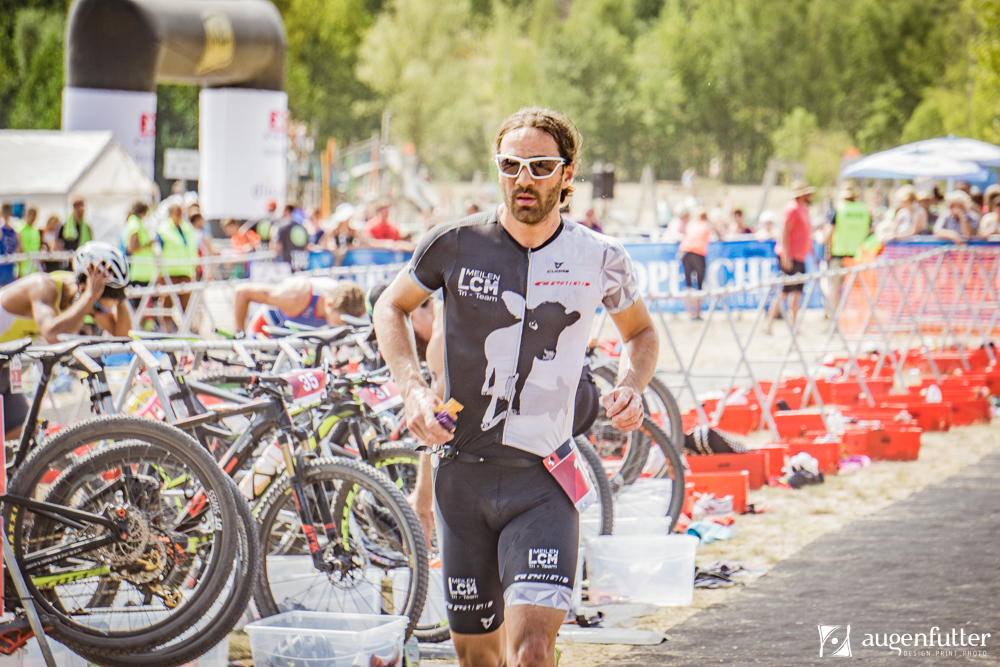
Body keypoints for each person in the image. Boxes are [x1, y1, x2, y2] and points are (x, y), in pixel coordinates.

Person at [373, 107, 656, 667]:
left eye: (540, 166)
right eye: (511, 165)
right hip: (463, 480)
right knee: (479, 660)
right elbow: (391, 306)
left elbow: (641, 332)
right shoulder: (454, 243)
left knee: (531, 649)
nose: (524, 178)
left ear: (567, 173)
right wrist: (412, 389)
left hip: (543, 481)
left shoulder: (600, 256)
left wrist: (632, 384)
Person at [0, 242, 131, 438]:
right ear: (83, 287)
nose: (97, 313)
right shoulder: (42, 286)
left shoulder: (82, 298)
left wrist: (120, 295)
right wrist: (90, 297)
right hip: (4, 364)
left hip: (4, 368)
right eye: (97, 307)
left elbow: (122, 335)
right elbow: (53, 334)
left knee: (22, 436)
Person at [234, 276, 366, 336]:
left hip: (299, 335)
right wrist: (240, 334)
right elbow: (242, 292)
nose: (344, 327)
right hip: (268, 329)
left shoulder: (344, 297)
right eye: (342, 322)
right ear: (329, 304)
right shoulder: (296, 296)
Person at [766, 180, 814, 334]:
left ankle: (794, 325)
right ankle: (768, 324)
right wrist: (786, 255)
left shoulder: (803, 209)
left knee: (797, 292)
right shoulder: (792, 208)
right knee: (785, 291)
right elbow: (785, 231)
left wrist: (811, 252)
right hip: (791, 256)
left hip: (800, 256)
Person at [823, 182, 871, 316]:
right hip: (859, 255)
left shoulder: (839, 209)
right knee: (859, 289)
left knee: (835, 287)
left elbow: (829, 233)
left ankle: (836, 318)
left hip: (839, 253)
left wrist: (827, 248)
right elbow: (869, 230)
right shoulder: (864, 210)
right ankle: (860, 318)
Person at [156, 203, 199, 313]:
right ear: (170, 214)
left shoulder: (187, 228)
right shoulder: (163, 229)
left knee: (186, 304)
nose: (179, 216)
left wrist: (194, 268)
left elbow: (192, 248)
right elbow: (157, 251)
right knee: (167, 303)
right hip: (169, 272)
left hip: (186, 272)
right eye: (177, 213)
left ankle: (185, 323)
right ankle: (167, 324)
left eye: (181, 213)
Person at [679, 207, 711, 320]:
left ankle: (689, 312)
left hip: (685, 252)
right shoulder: (706, 226)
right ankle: (697, 313)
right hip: (698, 253)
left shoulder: (692, 225)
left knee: (688, 284)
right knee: (699, 284)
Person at [124, 201, 155, 291]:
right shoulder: (135, 224)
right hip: (138, 271)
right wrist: (148, 244)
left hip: (142, 271)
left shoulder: (136, 222)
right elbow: (132, 247)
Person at [272, 205, 311, 272]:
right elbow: (307, 246)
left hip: (286, 267)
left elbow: (277, 247)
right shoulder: (301, 227)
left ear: (286, 211)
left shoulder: (281, 226)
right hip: (302, 264)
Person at [14, 207, 40, 277]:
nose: (32, 217)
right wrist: (19, 270)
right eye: (30, 214)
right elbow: (18, 250)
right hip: (23, 268)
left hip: (33, 267)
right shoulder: (20, 229)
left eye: (34, 215)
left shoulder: (36, 231)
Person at [0, 204, 21, 287]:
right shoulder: (14, 231)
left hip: (8, 269)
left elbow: (18, 251)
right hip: (6, 268)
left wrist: (19, 269)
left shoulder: (14, 231)